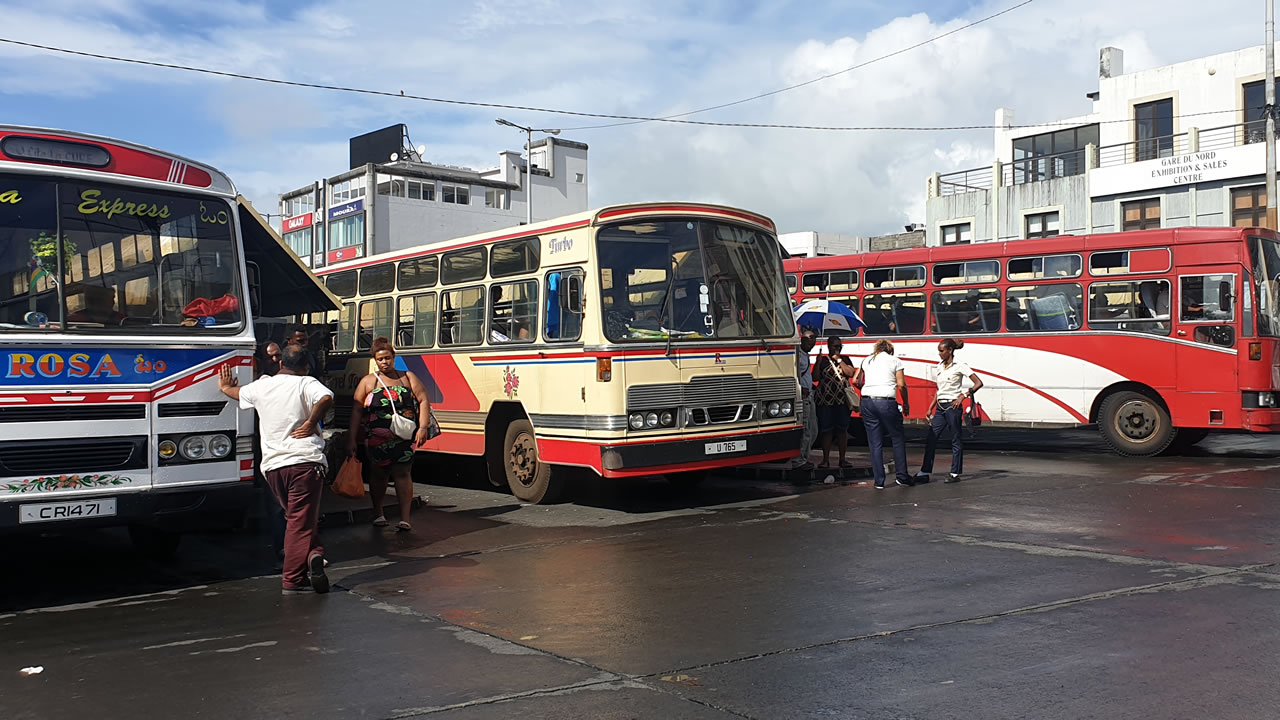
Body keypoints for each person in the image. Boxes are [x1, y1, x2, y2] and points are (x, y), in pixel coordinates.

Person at [218, 345, 333, 595]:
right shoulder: (306, 383)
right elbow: (326, 398)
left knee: (296, 517)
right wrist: (311, 422)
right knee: (299, 522)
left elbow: (235, 392)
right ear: (305, 367)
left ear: (281, 363)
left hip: (273, 467)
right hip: (304, 462)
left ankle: (314, 553)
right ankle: (293, 579)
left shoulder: (262, 385)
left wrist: (225, 386)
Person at [347, 337, 433, 532]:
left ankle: (404, 518)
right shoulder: (368, 382)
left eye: (387, 358)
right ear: (375, 361)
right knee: (379, 474)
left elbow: (423, 400)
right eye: (380, 359)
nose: (384, 362)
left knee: (403, 473)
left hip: (404, 437)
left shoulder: (407, 377)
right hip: (377, 438)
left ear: (394, 357)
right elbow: (357, 411)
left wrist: (422, 427)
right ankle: (378, 513)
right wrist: (351, 438)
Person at [916, 338, 983, 483]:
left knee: (955, 439)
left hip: (953, 407)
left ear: (950, 351)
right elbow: (939, 390)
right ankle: (924, 471)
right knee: (931, 438)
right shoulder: (939, 366)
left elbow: (978, 383)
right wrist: (930, 408)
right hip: (940, 407)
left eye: (942, 351)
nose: (939, 354)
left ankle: (955, 473)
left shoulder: (960, 366)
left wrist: (963, 396)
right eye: (939, 351)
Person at [853, 339, 913, 489]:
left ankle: (879, 481)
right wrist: (905, 403)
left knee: (875, 442)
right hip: (886, 402)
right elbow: (901, 385)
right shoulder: (895, 361)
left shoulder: (866, 360)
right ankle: (902, 476)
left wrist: (869, 389)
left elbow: (855, 379)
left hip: (867, 401)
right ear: (890, 350)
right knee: (897, 437)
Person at [813, 335, 856, 469]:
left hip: (842, 401)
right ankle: (825, 460)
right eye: (835, 346)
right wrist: (818, 362)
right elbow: (815, 378)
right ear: (828, 346)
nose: (837, 349)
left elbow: (850, 373)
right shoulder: (823, 361)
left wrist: (839, 361)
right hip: (825, 401)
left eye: (839, 346)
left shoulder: (845, 359)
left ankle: (842, 459)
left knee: (842, 430)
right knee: (826, 430)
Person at [792, 327, 818, 471]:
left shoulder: (806, 356)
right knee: (806, 429)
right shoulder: (797, 355)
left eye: (813, 338)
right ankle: (800, 460)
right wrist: (800, 388)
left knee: (814, 430)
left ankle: (804, 457)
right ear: (801, 339)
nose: (811, 341)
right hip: (803, 396)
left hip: (810, 396)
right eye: (808, 338)